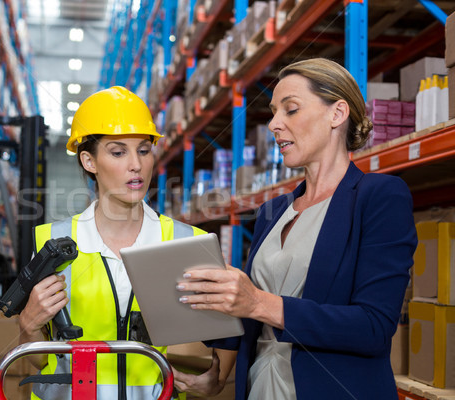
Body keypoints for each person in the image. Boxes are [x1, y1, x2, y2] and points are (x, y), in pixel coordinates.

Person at [174, 58, 418, 400]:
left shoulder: (379, 197)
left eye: (290, 109)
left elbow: (373, 327)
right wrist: (219, 372)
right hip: (262, 387)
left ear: (337, 114)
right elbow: (248, 314)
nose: (274, 123)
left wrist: (259, 302)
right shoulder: (272, 212)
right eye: (274, 112)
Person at [18, 86, 210, 400]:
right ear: (89, 161)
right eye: (118, 152)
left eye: (144, 150)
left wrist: (214, 374)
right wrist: (27, 326)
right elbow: (36, 362)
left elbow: (213, 348)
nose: (136, 164)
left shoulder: (188, 242)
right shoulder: (50, 243)